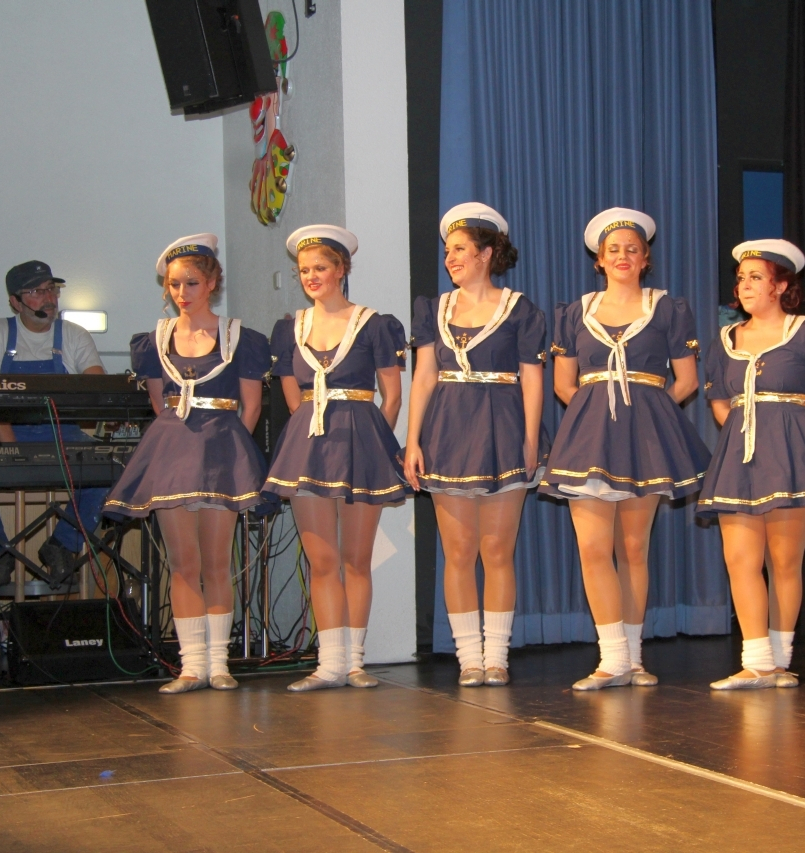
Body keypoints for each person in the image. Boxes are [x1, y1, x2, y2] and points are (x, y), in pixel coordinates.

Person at [540, 208, 710, 690]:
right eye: (613, 250)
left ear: (645, 258)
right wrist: (596, 414)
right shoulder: (575, 312)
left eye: (632, 249)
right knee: (593, 548)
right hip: (589, 438)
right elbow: (563, 383)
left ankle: (632, 659)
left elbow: (687, 380)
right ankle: (611, 658)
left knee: (634, 547)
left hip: (645, 438)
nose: (622, 256)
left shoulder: (668, 308)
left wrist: (649, 415)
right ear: (599, 259)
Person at [103, 235, 270, 693]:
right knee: (182, 563)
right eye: (174, 284)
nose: (182, 292)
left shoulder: (239, 337)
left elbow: (252, 406)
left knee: (216, 562)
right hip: (173, 456)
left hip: (221, 455)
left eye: (191, 283)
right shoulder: (155, 340)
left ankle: (219, 664)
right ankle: (191, 665)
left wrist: (231, 452)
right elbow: (161, 405)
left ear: (212, 283)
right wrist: (180, 447)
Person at [404, 203, 548, 687]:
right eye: (448, 251)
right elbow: (424, 376)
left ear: (486, 254)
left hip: (504, 428)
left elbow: (532, 377)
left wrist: (531, 437)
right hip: (448, 431)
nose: (451, 258)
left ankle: (497, 656)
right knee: (459, 551)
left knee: (498, 550)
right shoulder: (433, 308)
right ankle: (469, 658)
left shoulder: (520, 309)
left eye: (460, 249)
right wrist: (412, 441)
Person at [698, 239, 805, 689]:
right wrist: (747, 433)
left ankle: (779, 661)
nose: (744, 285)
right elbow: (719, 402)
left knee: (784, 560)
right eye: (741, 278)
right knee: (740, 558)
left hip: (793, 457)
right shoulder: (724, 340)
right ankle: (757, 661)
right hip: (740, 457)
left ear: (781, 285)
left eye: (756, 277)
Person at [263, 225, 410, 692]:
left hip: (360, 441)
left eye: (320, 268)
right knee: (321, 559)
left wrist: (374, 443)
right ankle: (329, 664)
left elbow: (392, 395)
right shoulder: (289, 328)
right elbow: (293, 397)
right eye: (304, 270)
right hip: (309, 445)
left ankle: (355, 663)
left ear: (341, 269)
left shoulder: (374, 324)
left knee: (356, 559)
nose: (311, 276)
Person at [0, 260, 106, 592]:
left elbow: (98, 385)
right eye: (35, 291)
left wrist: (101, 388)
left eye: (51, 289)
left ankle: (62, 545)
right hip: (3, 434)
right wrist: (16, 453)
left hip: (61, 434)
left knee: (108, 468)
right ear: (15, 302)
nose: (48, 298)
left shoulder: (74, 334)